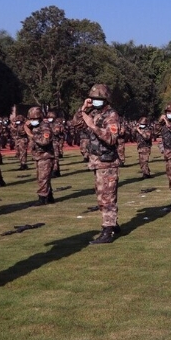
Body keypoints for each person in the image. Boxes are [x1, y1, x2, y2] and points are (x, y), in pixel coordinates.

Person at [72, 84, 122, 244]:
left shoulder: (111, 115)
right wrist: (83, 110)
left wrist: (92, 126)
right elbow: (76, 124)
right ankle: (112, 224)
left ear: (106, 99)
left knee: (107, 197)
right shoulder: (92, 112)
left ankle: (108, 230)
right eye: (93, 99)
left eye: (98, 99)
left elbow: (112, 138)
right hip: (97, 162)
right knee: (102, 196)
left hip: (107, 163)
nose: (95, 101)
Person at [24, 107, 55, 205]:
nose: (32, 121)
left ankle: (42, 198)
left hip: (45, 156)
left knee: (43, 178)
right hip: (39, 156)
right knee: (43, 178)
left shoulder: (45, 127)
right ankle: (49, 197)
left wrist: (30, 134)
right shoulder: (35, 127)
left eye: (34, 119)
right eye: (31, 119)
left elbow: (44, 141)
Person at [46, 111, 63, 177]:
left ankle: (55, 171)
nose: (49, 118)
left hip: (55, 142)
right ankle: (56, 171)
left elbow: (56, 132)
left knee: (55, 157)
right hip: (49, 142)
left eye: (51, 117)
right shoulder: (46, 124)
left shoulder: (57, 124)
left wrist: (49, 130)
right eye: (48, 117)